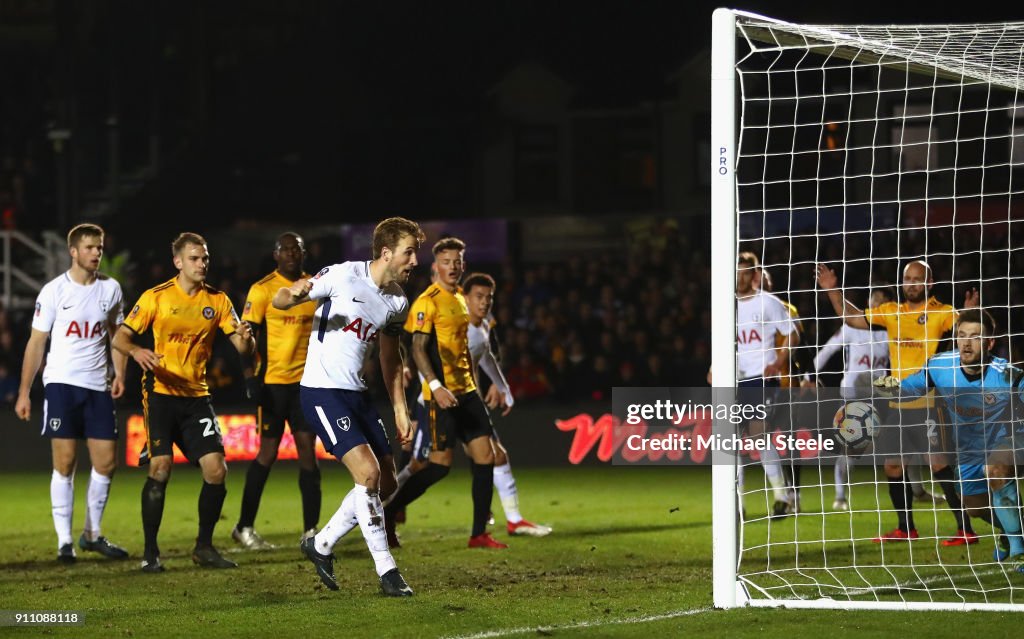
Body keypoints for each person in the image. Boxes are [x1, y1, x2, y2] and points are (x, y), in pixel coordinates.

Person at [280, 216, 422, 597]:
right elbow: (284, 297)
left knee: (386, 483)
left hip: (358, 395)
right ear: (387, 252)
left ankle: (322, 543)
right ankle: (387, 571)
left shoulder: (396, 301)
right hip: (322, 391)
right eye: (410, 252)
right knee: (369, 474)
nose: (414, 261)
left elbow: (392, 359)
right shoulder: (342, 276)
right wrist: (293, 294)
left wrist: (399, 409)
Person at [113, 232, 255, 572]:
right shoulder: (156, 297)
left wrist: (248, 340)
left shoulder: (218, 301)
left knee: (216, 469)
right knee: (160, 467)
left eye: (205, 258)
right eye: (195, 258)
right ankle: (150, 553)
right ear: (178, 262)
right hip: (160, 393)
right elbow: (120, 337)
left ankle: (203, 547)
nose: (202, 263)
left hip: (197, 397)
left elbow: (241, 347)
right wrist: (137, 350)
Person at [816, 260, 977, 544]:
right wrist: (833, 290)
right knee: (892, 465)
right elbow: (850, 317)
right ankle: (906, 529)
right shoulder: (892, 313)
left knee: (938, 463)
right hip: (898, 403)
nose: (912, 284)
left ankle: (965, 529)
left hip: (929, 402)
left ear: (929, 283)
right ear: (902, 283)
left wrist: (972, 310)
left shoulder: (941, 312)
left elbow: (967, 328)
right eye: (908, 279)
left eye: (918, 279)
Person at [395, 273, 552, 537]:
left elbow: (487, 356)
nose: (485, 302)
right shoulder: (447, 321)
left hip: (467, 401)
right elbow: (422, 354)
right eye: (479, 297)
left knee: (495, 455)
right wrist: (418, 395)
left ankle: (511, 520)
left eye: (489, 298)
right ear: (464, 298)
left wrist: (501, 387)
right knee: (423, 465)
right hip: (434, 403)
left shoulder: (482, 328)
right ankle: (387, 505)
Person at [15, 223, 130, 562]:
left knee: (106, 462)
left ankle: (92, 534)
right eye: (91, 247)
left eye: (100, 247)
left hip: (97, 386)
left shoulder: (111, 290)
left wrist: (119, 372)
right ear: (74, 251)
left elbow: (117, 335)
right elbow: (36, 343)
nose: (97, 252)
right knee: (65, 462)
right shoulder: (53, 291)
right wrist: (25, 392)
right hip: (62, 384)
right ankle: (64, 542)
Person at [383, 237, 507, 549]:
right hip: (442, 395)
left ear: (463, 265)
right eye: (446, 262)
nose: (453, 267)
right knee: (438, 467)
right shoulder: (428, 301)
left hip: (467, 392)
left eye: (457, 261)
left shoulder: (463, 298)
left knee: (486, 457)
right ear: (435, 266)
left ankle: (479, 534)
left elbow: (468, 349)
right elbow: (418, 347)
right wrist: (435, 386)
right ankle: (388, 513)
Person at [876, 309, 1024, 568]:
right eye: (961, 335)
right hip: (969, 450)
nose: (966, 343)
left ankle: (1019, 548)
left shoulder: (1008, 376)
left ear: (989, 343)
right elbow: (906, 390)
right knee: (974, 508)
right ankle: (1008, 530)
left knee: (996, 468)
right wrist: (879, 385)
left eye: (975, 337)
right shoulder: (940, 366)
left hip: (1009, 438)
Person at [232, 232, 319, 549]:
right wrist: (249, 378)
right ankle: (243, 527)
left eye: (297, 248)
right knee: (267, 454)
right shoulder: (263, 289)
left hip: (306, 385)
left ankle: (311, 531)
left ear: (304, 253)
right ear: (275, 254)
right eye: (285, 249)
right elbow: (245, 338)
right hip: (272, 385)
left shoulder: (315, 286)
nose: (292, 253)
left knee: (308, 454)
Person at [811, 286, 892, 511]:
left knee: (902, 442)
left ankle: (917, 491)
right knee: (851, 447)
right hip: (852, 394)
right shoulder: (853, 327)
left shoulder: (891, 330)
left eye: (880, 303)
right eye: (872, 301)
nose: (875, 307)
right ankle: (840, 496)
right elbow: (827, 351)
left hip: (880, 392)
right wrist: (808, 375)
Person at [736, 252, 799, 518]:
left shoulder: (768, 302)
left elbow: (792, 333)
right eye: (735, 271)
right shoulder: (726, 305)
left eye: (744, 271)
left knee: (758, 433)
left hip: (762, 377)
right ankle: (737, 504)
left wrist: (780, 359)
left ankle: (781, 495)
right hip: (735, 378)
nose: (739, 276)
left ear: (753, 275)